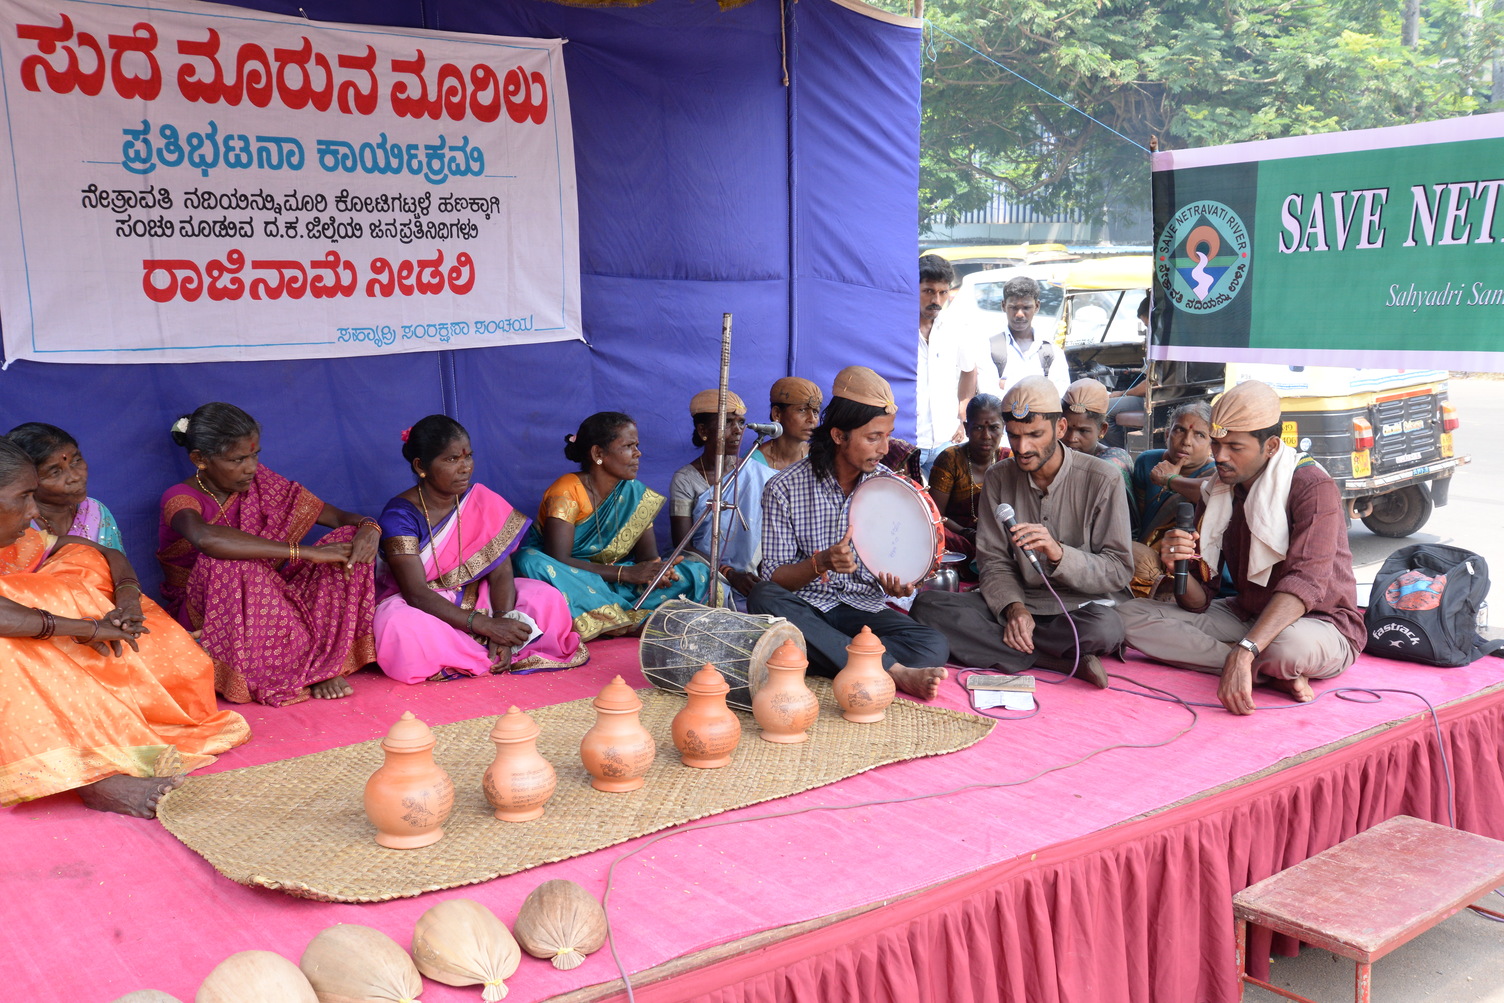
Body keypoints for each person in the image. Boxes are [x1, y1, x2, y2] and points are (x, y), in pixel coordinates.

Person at [0, 439, 249, 817]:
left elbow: (106, 554)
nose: (33, 510)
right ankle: (95, 780)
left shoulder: (31, 538)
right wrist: (85, 628)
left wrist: (127, 601)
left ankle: (109, 733)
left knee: (80, 559)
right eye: (24, 497)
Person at [1120, 381, 1362, 715]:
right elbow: (1200, 599)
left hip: (1321, 623)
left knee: (1286, 648)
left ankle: (1251, 659)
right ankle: (1263, 673)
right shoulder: (1220, 489)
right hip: (1245, 614)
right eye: (1217, 444)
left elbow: (1306, 582)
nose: (1220, 456)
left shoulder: (1312, 486)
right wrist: (1178, 564)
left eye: (1234, 446)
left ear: (1271, 446)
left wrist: (1247, 647)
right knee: (1127, 617)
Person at [911, 376, 1132, 688]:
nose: (1022, 448)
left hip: (1079, 606)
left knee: (1106, 629)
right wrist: (1014, 609)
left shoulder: (1103, 479)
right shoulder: (998, 477)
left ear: (1060, 429)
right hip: (1016, 600)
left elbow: (1119, 569)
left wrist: (1059, 554)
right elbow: (994, 561)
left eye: (1034, 435)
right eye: (1014, 436)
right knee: (928, 607)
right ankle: (1055, 659)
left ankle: (1016, 649)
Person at [157, 403, 378, 707]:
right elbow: (206, 538)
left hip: (271, 594)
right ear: (200, 459)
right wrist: (306, 553)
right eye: (237, 459)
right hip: (210, 607)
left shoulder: (262, 483)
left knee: (349, 540)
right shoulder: (180, 498)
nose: (250, 467)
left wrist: (369, 528)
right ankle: (304, 669)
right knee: (229, 563)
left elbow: (341, 518)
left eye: (254, 455)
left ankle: (321, 661)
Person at [748, 366, 950, 700]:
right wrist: (822, 561)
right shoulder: (783, 487)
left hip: (862, 612)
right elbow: (775, 579)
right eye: (873, 437)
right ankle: (892, 670)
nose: (885, 448)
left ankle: (824, 655)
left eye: (887, 435)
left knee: (933, 644)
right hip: (806, 609)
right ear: (840, 436)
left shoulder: (891, 488)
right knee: (762, 597)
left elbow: (897, 562)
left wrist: (896, 583)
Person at [373, 415, 587, 684]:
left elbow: (500, 573)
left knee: (546, 598)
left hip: (476, 594)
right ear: (420, 466)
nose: (464, 468)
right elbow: (416, 593)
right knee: (401, 627)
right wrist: (486, 626)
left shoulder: (480, 501)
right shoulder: (400, 515)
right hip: (421, 605)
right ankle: (482, 650)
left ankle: (500, 648)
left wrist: (503, 620)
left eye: (468, 457)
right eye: (451, 460)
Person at [513, 411, 714, 638]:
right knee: (528, 559)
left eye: (637, 445)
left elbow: (648, 558)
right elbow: (559, 560)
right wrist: (625, 574)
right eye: (628, 446)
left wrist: (659, 571)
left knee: (698, 571)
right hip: (573, 580)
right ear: (598, 453)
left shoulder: (634, 493)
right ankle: (628, 618)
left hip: (616, 582)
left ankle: (616, 616)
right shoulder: (567, 490)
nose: (638, 453)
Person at [669, 390, 774, 597]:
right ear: (702, 430)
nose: (737, 431)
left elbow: (769, 538)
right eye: (727, 422)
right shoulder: (685, 479)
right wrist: (729, 573)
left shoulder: (755, 473)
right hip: (700, 570)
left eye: (741, 422)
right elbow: (683, 546)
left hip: (751, 574)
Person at [916, 254, 996, 475]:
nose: (937, 300)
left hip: (946, 439)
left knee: (947, 508)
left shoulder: (956, 328)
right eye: (929, 291)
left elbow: (969, 371)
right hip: (908, 442)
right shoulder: (898, 330)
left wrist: (963, 413)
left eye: (943, 292)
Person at [1128, 400, 1216, 597]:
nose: (1186, 441)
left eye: (1199, 435)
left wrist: (1170, 480)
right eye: (1179, 430)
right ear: (1167, 434)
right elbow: (1141, 522)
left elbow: (1210, 493)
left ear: (1212, 445)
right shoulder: (1148, 461)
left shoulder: (1215, 474)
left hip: (1187, 565)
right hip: (1142, 559)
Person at [7, 422, 124, 549]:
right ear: (25, 480)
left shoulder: (96, 512)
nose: (75, 477)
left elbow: (116, 567)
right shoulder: (11, 523)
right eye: (55, 472)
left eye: (76, 461)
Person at [927, 393, 1008, 571]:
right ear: (967, 428)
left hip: (999, 538)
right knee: (934, 536)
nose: (986, 436)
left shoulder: (1009, 459)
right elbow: (936, 515)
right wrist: (966, 533)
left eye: (994, 428)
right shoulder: (950, 459)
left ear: (1003, 428)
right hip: (960, 536)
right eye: (978, 428)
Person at [995, 276, 1069, 398]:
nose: (1019, 314)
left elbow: (1059, 395)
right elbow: (989, 395)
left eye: (1026, 308)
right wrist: (1043, 387)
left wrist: (1006, 384)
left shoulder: (1052, 351)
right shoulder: (989, 348)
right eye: (1013, 307)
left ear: (1037, 306)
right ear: (1003, 306)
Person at [1060, 378, 1134, 496]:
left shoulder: (1112, 464)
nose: (1072, 438)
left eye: (1083, 431)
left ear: (1102, 430)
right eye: (1066, 429)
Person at [1104, 294, 1152, 448]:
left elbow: (1149, 386)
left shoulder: (1164, 346)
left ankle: (1119, 452)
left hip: (1152, 401)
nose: (1147, 330)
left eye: (1148, 326)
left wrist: (1121, 393)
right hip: (1155, 397)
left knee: (1102, 410)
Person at [751, 377, 823, 471]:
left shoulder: (818, 458)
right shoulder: (753, 464)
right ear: (777, 414)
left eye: (815, 412)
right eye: (802, 410)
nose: (812, 419)